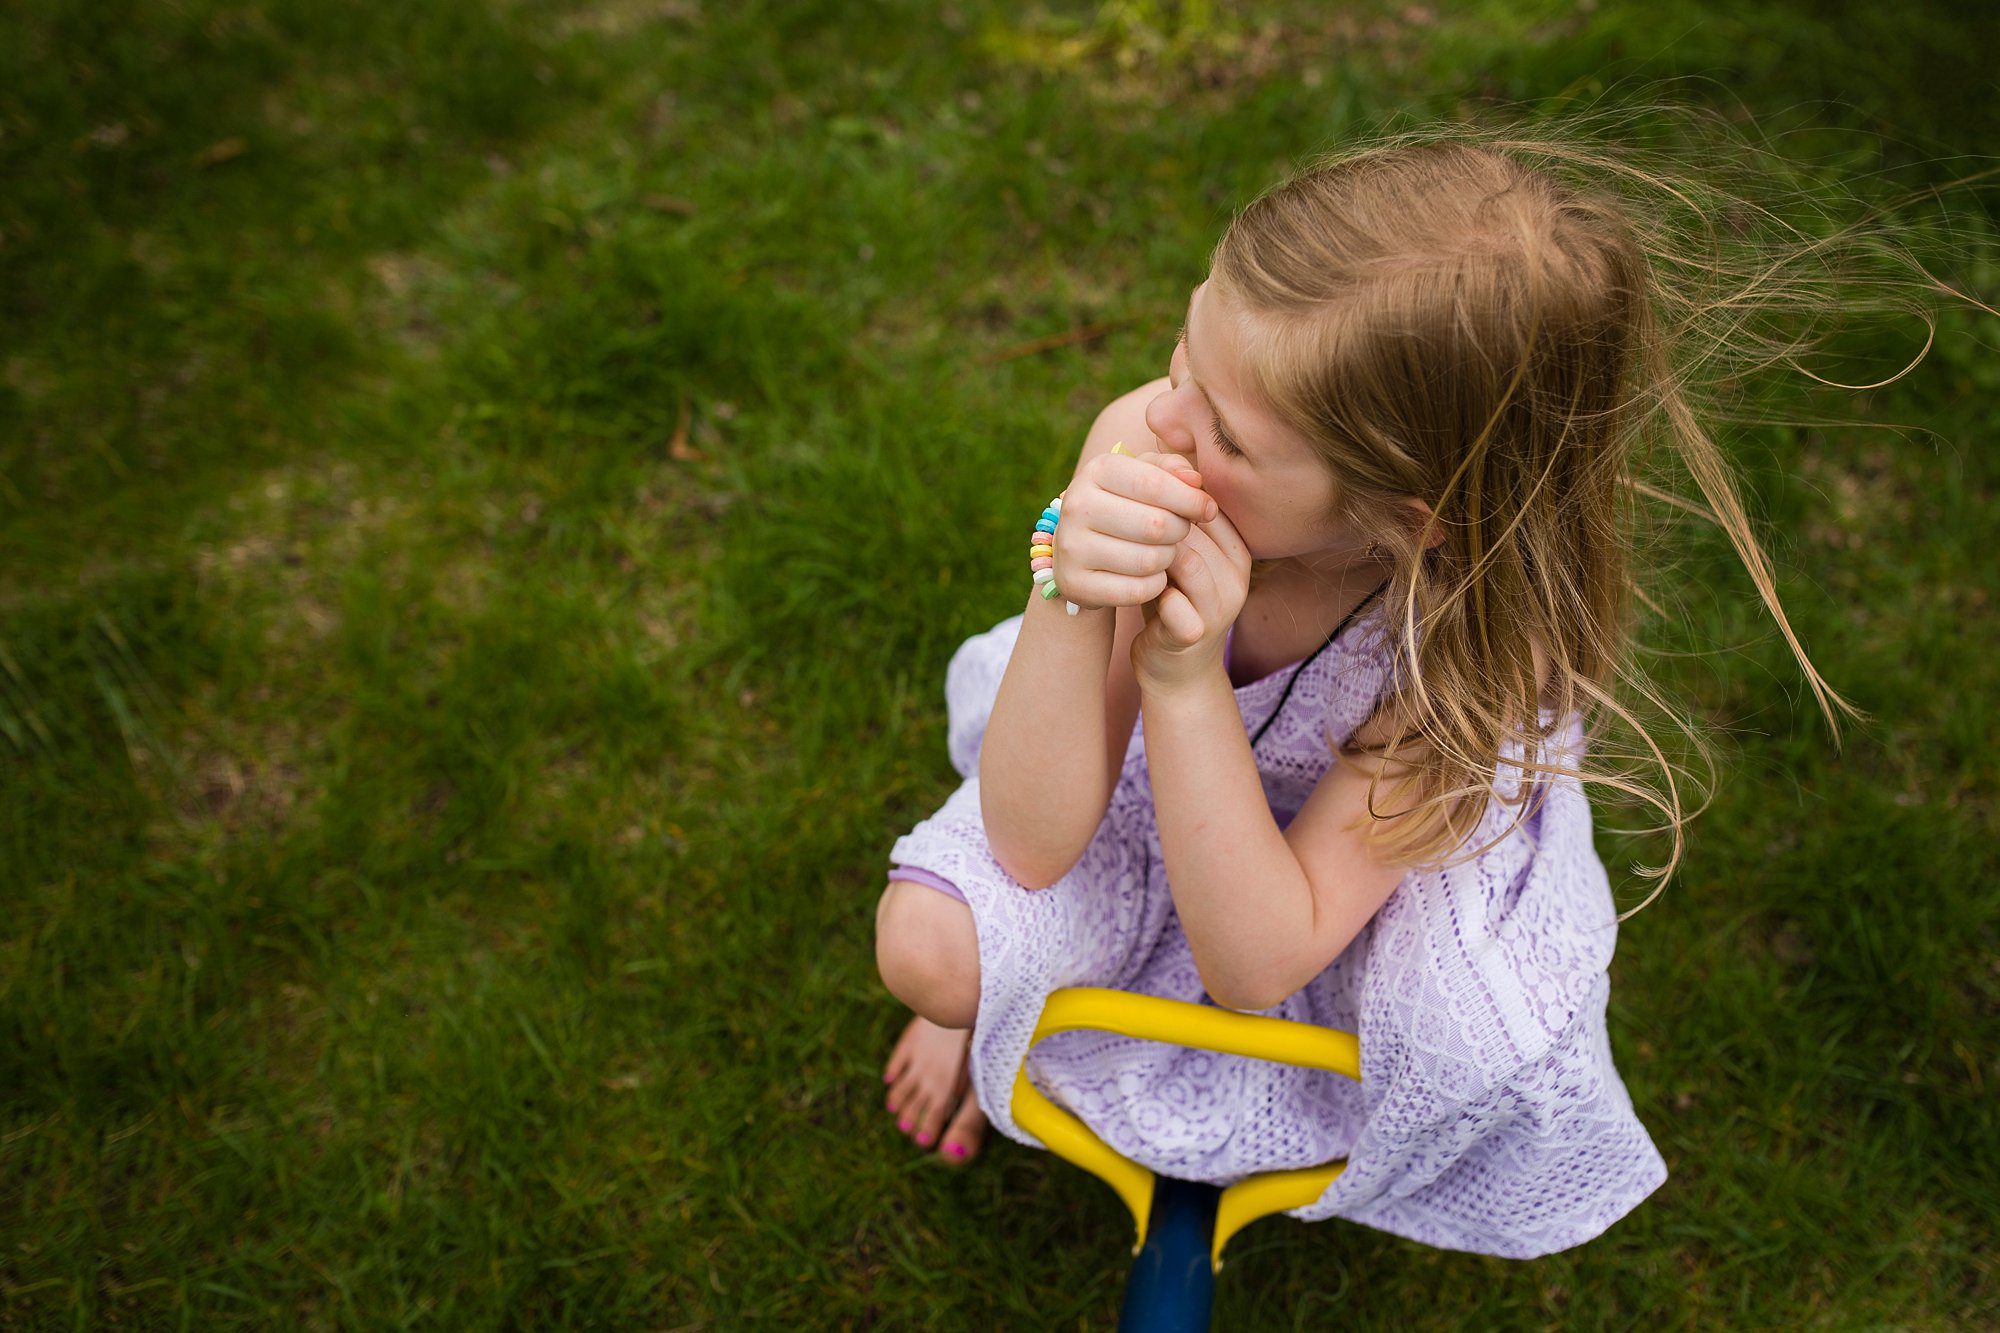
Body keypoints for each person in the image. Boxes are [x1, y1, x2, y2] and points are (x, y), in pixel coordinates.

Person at [871, 124, 1926, 1257]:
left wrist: (1185, 684)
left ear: (1402, 518)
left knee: (1462, 1043)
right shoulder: (1148, 440)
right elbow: (1029, 842)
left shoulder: (1473, 650)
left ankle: (1121, 1052)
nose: (1165, 418)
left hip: (1337, 892)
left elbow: (1257, 963)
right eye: (1183, 353)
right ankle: (978, 1017)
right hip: (1129, 799)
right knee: (931, 949)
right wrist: (1068, 590)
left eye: (1225, 430)